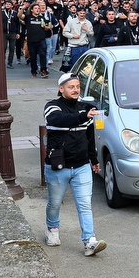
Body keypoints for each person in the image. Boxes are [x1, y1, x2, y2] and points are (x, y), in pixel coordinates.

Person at [43, 73, 107, 257]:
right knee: (55, 203)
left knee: (85, 204)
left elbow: (89, 137)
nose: (76, 90)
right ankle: (52, 228)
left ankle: (89, 241)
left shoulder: (85, 108)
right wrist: (81, 116)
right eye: (71, 87)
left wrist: (94, 160)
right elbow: (58, 120)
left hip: (81, 166)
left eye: (78, 86)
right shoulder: (52, 107)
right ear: (61, 89)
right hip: (58, 166)